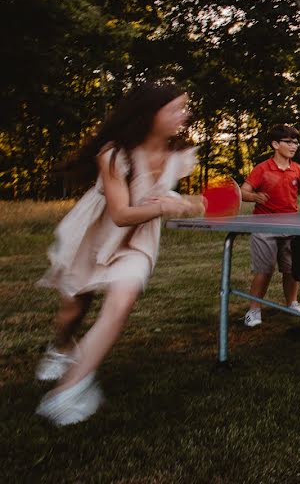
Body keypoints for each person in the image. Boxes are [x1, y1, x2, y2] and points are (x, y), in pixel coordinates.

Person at [34, 82, 203, 426]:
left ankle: (67, 392)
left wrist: (189, 205)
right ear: (149, 113)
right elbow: (121, 214)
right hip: (95, 236)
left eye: (184, 107)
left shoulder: (178, 156)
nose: (183, 114)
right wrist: (168, 207)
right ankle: (61, 347)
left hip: (137, 243)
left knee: (121, 301)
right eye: (174, 108)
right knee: (74, 308)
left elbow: (183, 202)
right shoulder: (114, 153)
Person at [241, 124, 300, 327]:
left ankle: (292, 303)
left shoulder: (296, 168)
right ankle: (253, 311)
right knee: (264, 270)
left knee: (292, 269)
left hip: (291, 225)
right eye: (289, 142)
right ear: (275, 144)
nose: (294, 146)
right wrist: (255, 196)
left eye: (296, 142)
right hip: (265, 226)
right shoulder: (262, 169)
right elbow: (243, 191)